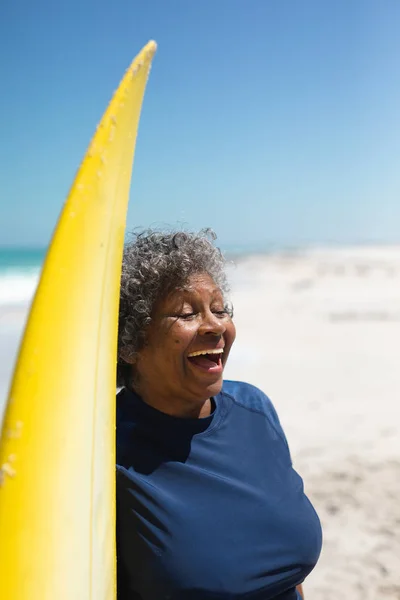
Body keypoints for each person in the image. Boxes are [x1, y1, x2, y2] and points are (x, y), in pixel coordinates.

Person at [116, 229, 322, 600]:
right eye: (187, 313)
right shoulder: (103, 448)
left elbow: (288, 575)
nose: (215, 326)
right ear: (131, 343)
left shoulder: (255, 409)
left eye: (220, 309)